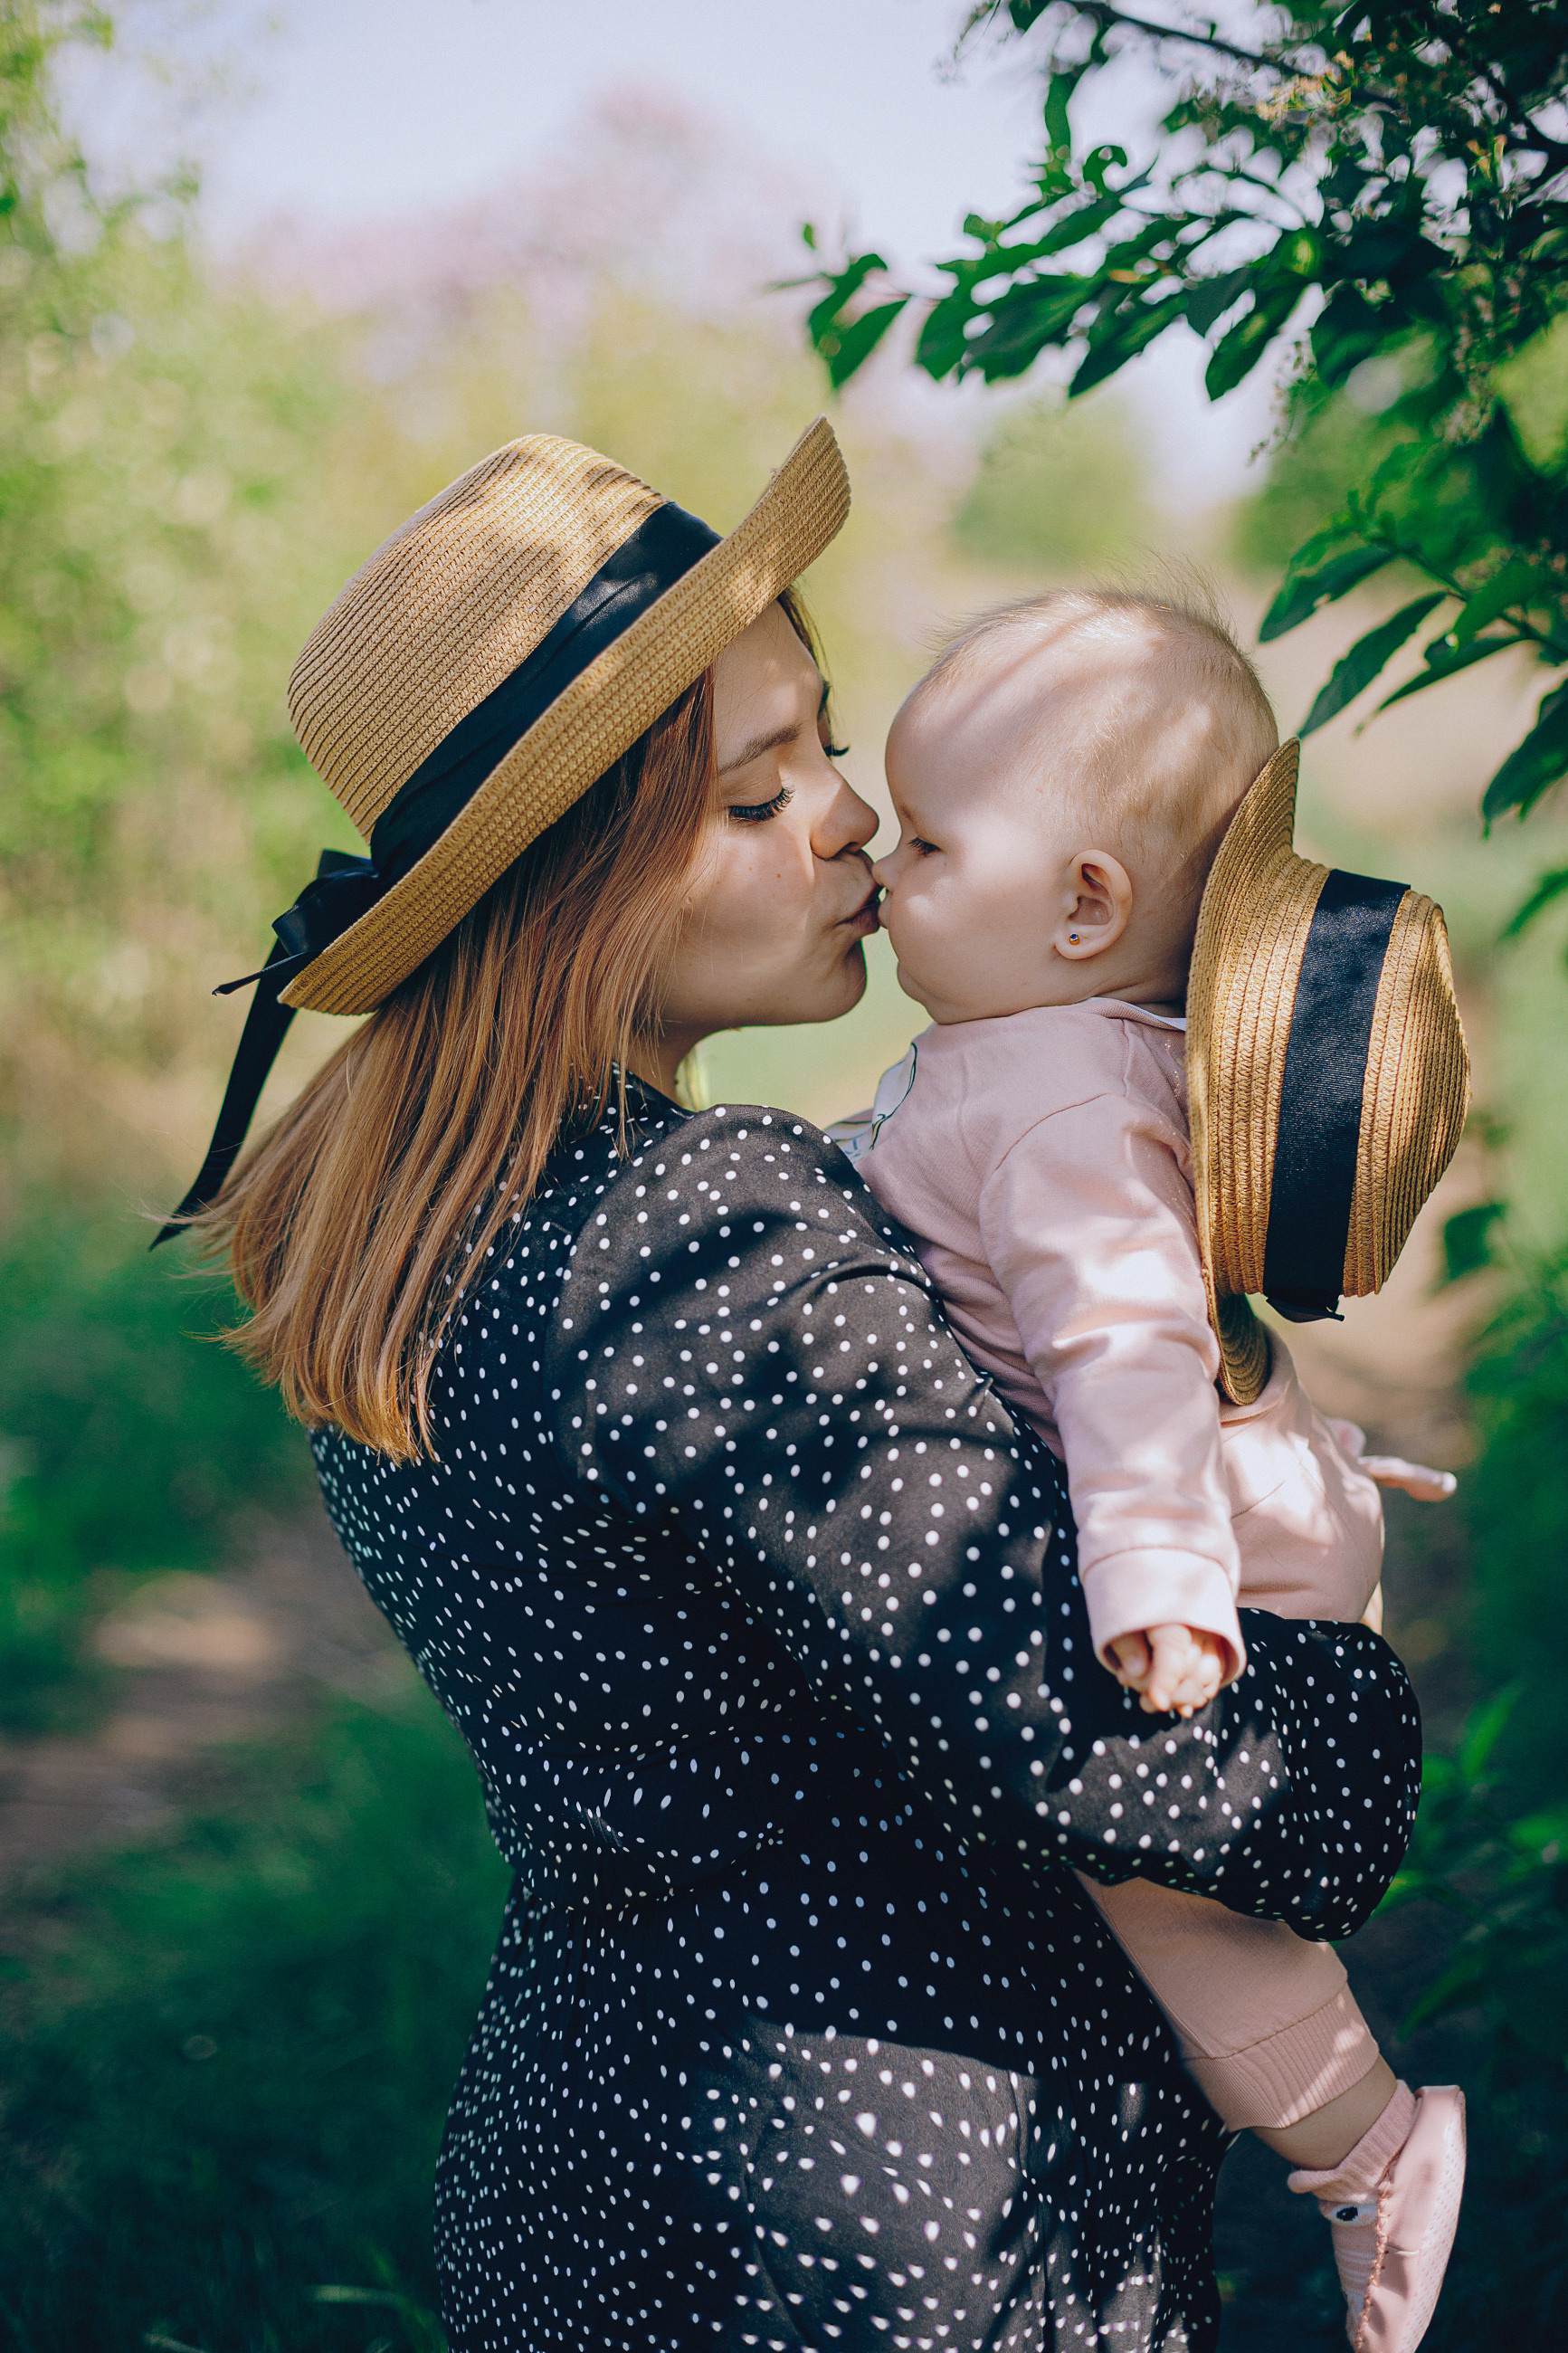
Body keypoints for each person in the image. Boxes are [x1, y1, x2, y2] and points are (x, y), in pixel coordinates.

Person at [163, 424, 1421, 2353]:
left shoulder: (391, 1233)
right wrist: (1340, 1683)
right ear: (575, 891)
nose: (847, 818)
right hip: (891, 2210)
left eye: (826, 741)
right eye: (760, 796)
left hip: (594, 2175)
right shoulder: (707, 1228)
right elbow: (1169, 1760)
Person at [841, 585, 1468, 2352]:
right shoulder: (1046, 1056)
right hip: (1244, 1486)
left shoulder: (1055, 1101)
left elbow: (1123, 1347)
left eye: (930, 837)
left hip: (1205, 1537)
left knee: (1175, 1892)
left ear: (1086, 903)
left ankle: (1372, 2150)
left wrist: (1160, 1586)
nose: (882, 857)